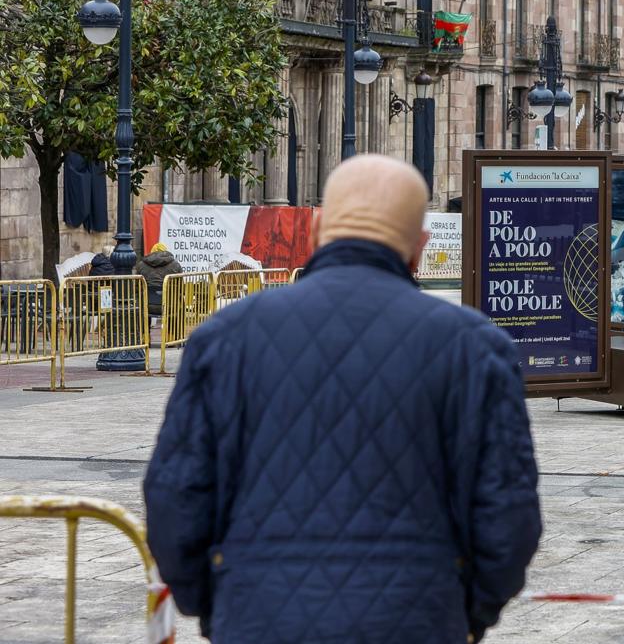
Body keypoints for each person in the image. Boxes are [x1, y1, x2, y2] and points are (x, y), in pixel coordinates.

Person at [144, 155, 542, 643]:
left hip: (259, 616)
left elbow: (175, 496)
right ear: (419, 248)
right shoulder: (477, 348)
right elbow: (508, 514)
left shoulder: (223, 338)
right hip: (416, 618)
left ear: (314, 235)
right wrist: (464, 612)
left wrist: (216, 602)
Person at [135, 242, 184, 317]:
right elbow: (181, 288)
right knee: (180, 300)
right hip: (170, 306)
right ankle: (173, 328)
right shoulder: (175, 265)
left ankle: (144, 328)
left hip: (146, 306)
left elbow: (136, 288)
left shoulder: (141, 265)